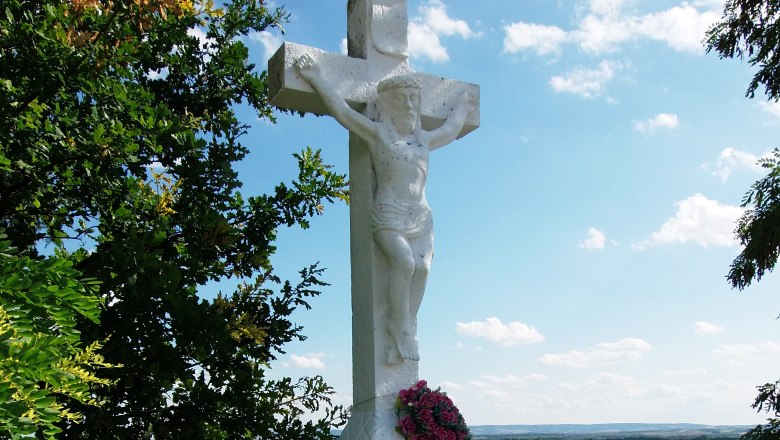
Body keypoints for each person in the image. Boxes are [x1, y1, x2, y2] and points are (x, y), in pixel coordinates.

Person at [295, 53, 476, 363]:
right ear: (390, 104)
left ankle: (405, 326)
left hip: (420, 215)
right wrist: (315, 78)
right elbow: (343, 112)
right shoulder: (380, 134)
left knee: (422, 269)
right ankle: (399, 326)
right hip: (389, 213)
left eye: (413, 100)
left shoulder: (422, 139)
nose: (409, 106)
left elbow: (449, 129)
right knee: (404, 263)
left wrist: (462, 106)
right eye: (402, 99)